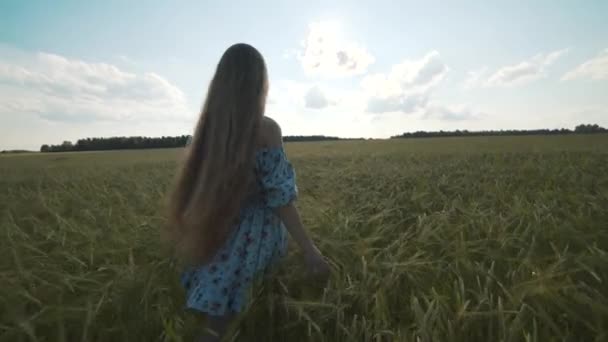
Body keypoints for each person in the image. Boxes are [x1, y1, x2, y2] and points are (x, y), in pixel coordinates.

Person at [166, 43, 330, 341]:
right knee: (226, 323)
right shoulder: (266, 129)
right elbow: (280, 199)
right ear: (258, 84)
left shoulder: (209, 130)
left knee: (217, 315)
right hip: (255, 239)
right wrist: (310, 250)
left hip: (218, 231)